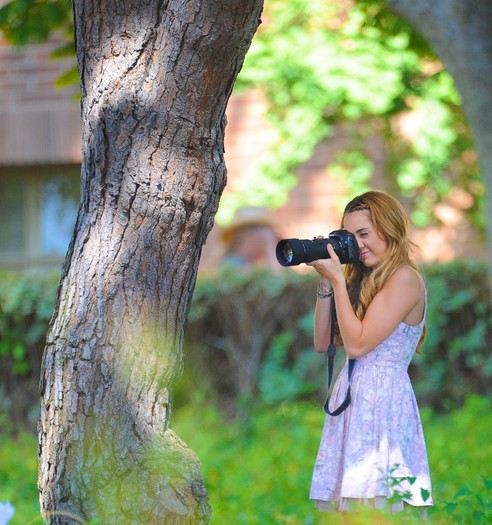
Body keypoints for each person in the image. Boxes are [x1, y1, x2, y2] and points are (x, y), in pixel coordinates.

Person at [307, 190, 433, 517]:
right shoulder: (368, 282)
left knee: (378, 502)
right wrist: (325, 283)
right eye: (351, 236)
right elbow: (323, 342)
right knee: (351, 508)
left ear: (389, 228)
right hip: (354, 397)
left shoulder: (404, 278)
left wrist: (337, 282)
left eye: (364, 233)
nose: (358, 244)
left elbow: (358, 345)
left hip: (382, 400)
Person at [220, 206, 280, 273]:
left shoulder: (246, 263)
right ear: (246, 234)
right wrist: (269, 246)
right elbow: (278, 276)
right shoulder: (232, 265)